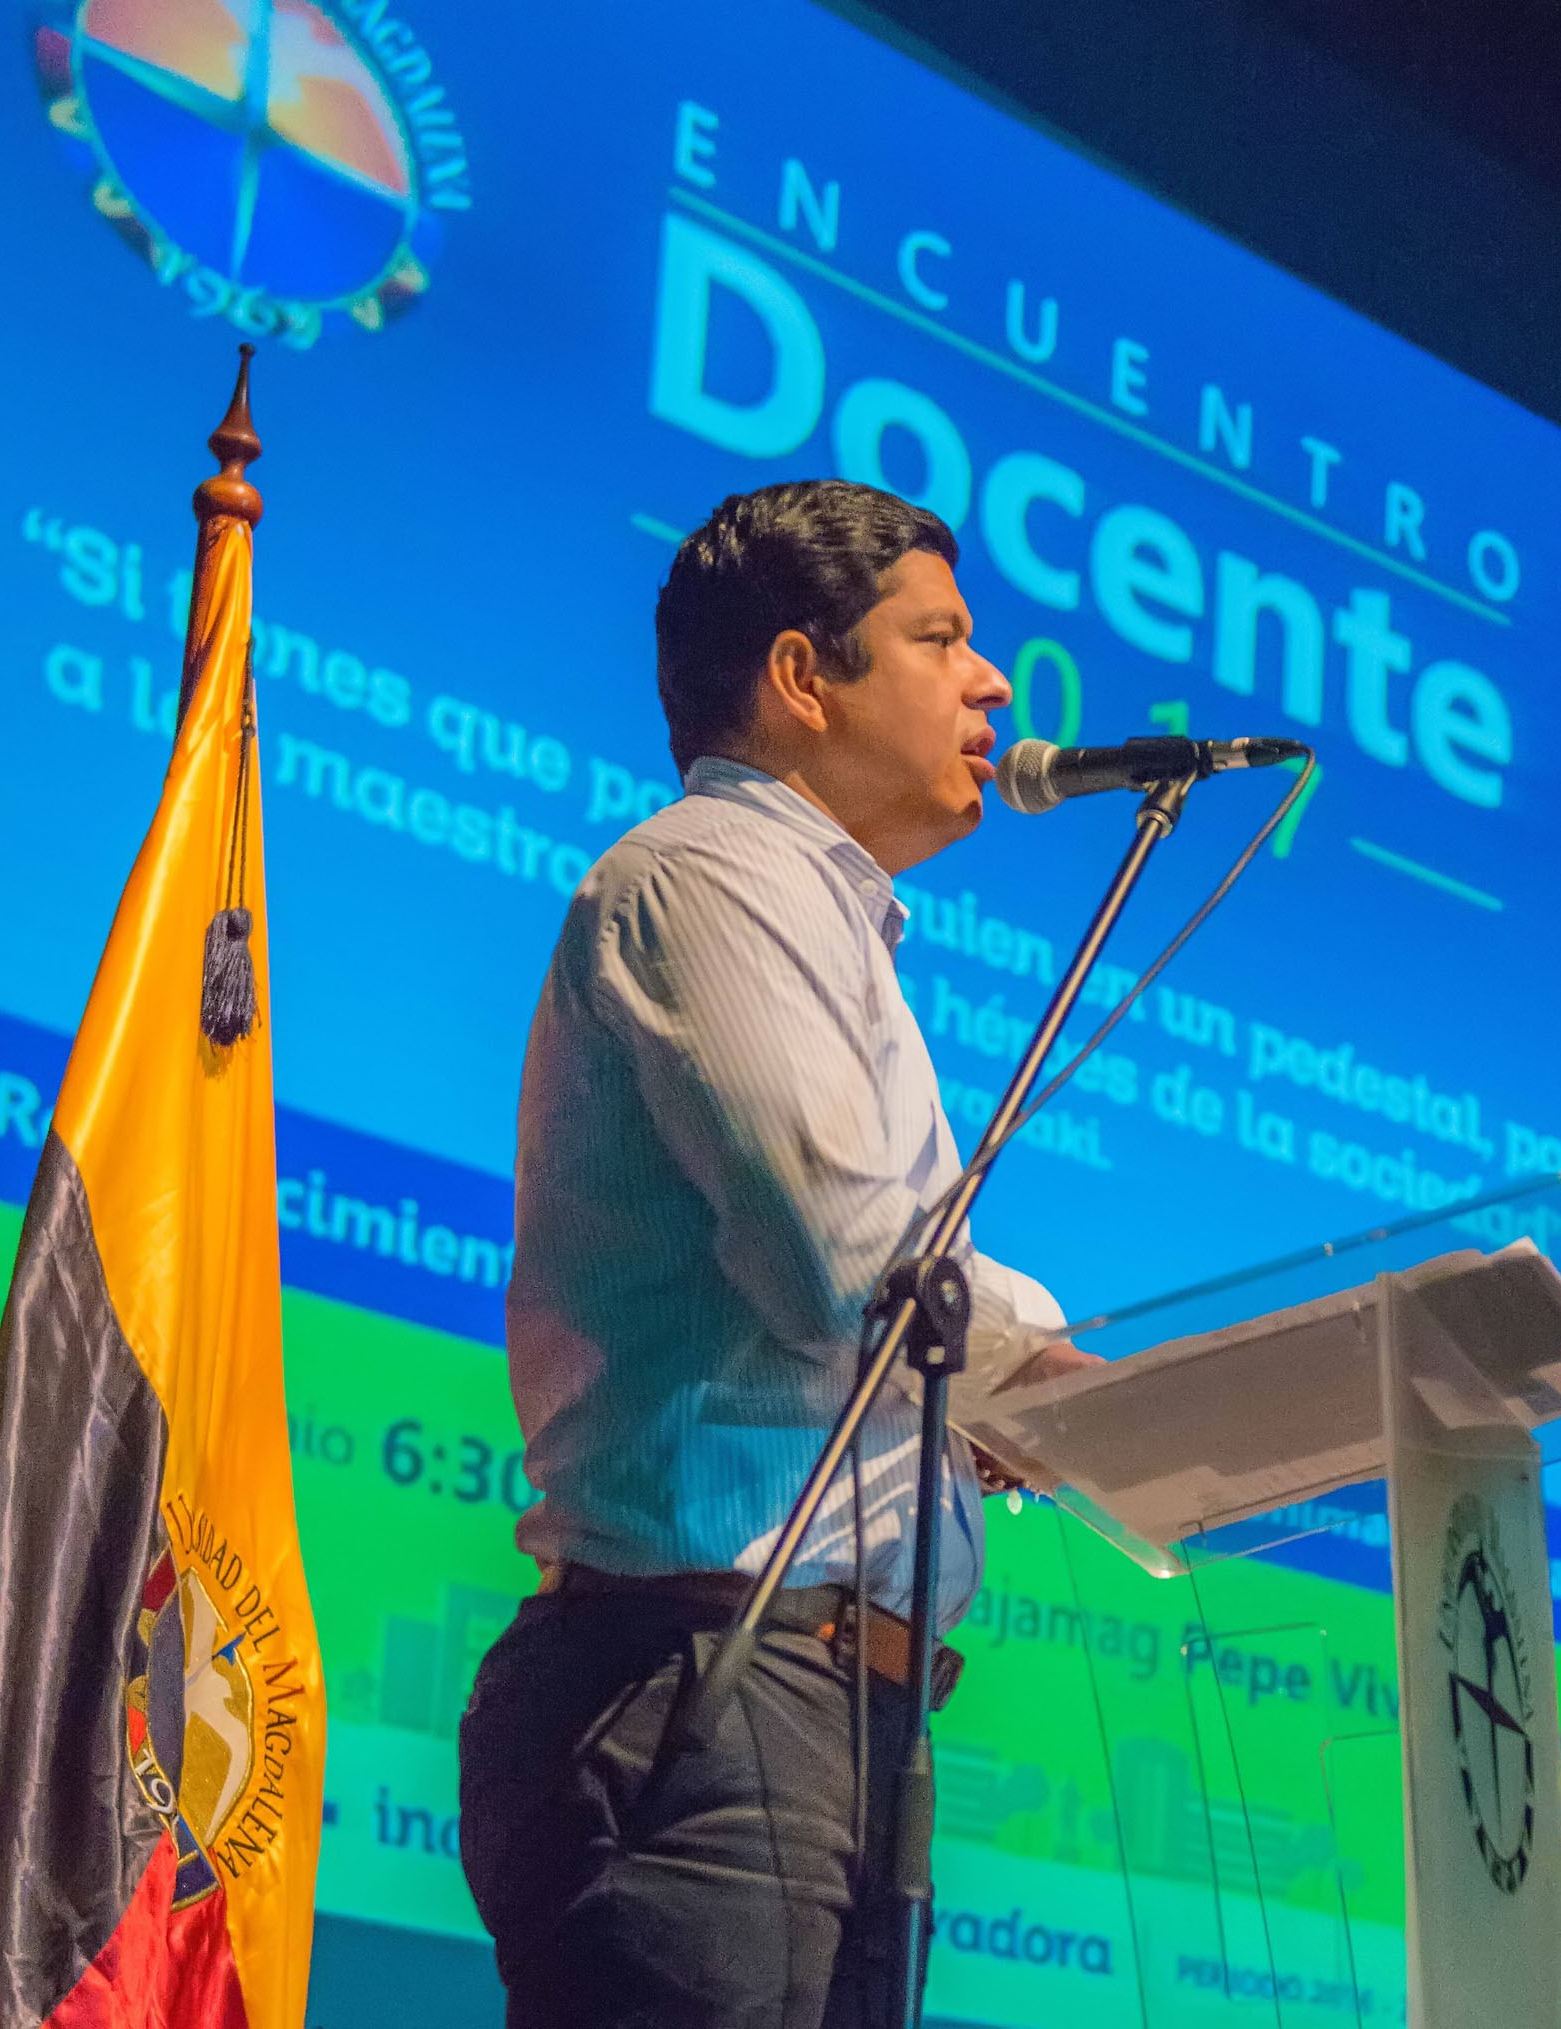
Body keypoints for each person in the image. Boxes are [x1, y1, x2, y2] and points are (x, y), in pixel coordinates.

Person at [458, 480, 1096, 2029]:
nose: (995, 682)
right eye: (940, 638)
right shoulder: (705, 879)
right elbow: (849, 1258)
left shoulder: (824, 923)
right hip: (706, 1686)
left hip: (829, 1712)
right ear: (803, 678)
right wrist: (1069, 1380)